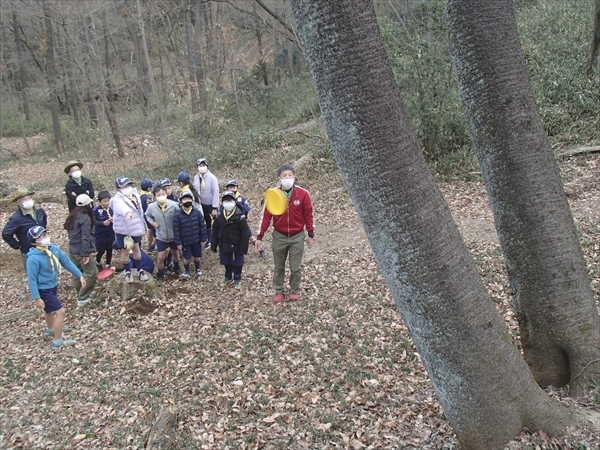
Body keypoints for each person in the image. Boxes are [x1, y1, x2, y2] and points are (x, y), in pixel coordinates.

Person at [255, 164, 315, 303]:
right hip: (279, 235)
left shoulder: (303, 194)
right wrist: (259, 236)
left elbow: (309, 214)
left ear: (294, 176)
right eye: (284, 176)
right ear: (279, 178)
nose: (287, 178)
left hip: (297, 236)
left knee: (295, 267)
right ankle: (279, 291)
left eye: (290, 175)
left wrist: (311, 234)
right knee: (279, 266)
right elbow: (265, 217)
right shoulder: (273, 194)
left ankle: (294, 290)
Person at [26, 225, 86, 350]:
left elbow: (67, 262)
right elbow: (32, 280)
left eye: (46, 233)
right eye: (41, 236)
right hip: (44, 289)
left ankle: (51, 328)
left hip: (53, 285)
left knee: (48, 310)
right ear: (33, 242)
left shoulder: (54, 249)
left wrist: (79, 275)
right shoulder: (33, 259)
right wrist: (36, 297)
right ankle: (58, 341)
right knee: (60, 312)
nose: (46, 237)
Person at [110, 177, 149, 283]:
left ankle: (140, 270)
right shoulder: (117, 199)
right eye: (125, 186)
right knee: (126, 251)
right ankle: (128, 272)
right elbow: (121, 207)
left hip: (135, 228)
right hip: (125, 230)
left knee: (136, 248)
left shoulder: (135, 195)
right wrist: (127, 212)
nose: (128, 188)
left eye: (129, 185)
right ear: (119, 189)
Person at [211, 191, 252, 291]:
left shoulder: (240, 216)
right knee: (226, 262)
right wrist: (214, 245)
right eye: (225, 201)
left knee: (237, 263)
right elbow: (215, 231)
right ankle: (228, 277)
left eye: (230, 200)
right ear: (222, 203)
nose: (228, 203)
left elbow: (245, 234)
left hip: (236, 246)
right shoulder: (219, 216)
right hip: (224, 244)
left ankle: (237, 278)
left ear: (234, 202)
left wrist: (243, 248)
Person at [2, 187, 48, 270]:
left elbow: (44, 220)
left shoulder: (39, 211)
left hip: (44, 247)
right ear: (19, 203)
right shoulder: (16, 218)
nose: (28, 201)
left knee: (46, 271)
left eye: (29, 198)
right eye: (24, 199)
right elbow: (6, 233)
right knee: (33, 274)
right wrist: (18, 245)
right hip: (29, 251)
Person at [64, 194, 98, 306]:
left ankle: (81, 293)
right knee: (91, 273)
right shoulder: (85, 218)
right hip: (81, 250)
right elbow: (85, 236)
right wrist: (85, 253)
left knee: (77, 273)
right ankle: (83, 297)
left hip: (72, 249)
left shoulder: (73, 215)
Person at [145, 184, 182, 284]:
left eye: (163, 194)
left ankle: (177, 267)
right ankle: (160, 273)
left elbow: (180, 217)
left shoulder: (174, 205)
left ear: (166, 194)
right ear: (155, 196)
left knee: (175, 252)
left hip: (173, 235)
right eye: (158, 195)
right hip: (161, 235)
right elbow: (147, 216)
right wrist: (152, 223)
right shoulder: (151, 207)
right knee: (160, 256)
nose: (161, 196)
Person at [221, 178, 267, 258]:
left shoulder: (241, 198)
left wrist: (242, 219)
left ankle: (260, 250)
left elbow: (246, 210)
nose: (231, 189)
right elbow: (221, 211)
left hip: (241, 223)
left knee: (250, 237)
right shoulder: (225, 199)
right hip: (229, 224)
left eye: (233, 187)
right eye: (229, 187)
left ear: (237, 188)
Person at [173, 191, 207, 280]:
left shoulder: (197, 212)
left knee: (197, 256)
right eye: (184, 199)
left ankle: (198, 269)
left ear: (192, 200)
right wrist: (178, 243)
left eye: (188, 198)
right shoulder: (177, 215)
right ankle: (187, 272)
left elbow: (202, 226)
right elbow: (176, 230)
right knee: (186, 258)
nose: (187, 200)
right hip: (185, 242)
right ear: (181, 201)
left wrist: (203, 239)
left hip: (196, 240)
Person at [192, 158, 219, 249]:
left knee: (217, 221)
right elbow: (195, 191)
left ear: (207, 166)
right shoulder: (196, 177)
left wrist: (214, 207)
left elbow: (215, 192)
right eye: (200, 166)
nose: (202, 167)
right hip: (201, 204)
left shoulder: (212, 178)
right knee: (206, 221)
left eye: (204, 165)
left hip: (211, 204)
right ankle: (208, 239)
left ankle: (217, 238)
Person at [92, 191, 115, 270]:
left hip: (110, 232)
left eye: (108, 201)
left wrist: (113, 219)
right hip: (100, 233)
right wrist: (102, 223)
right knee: (101, 250)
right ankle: (98, 261)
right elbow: (93, 221)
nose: (106, 203)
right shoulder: (96, 210)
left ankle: (108, 264)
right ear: (100, 201)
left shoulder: (112, 209)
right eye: (104, 201)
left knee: (110, 249)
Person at [140, 178, 156, 253]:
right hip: (149, 215)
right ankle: (151, 245)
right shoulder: (147, 197)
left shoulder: (141, 195)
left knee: (150, 229)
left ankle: (150, 244)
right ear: (149, 188)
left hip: (145, 215)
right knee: (153, 230)